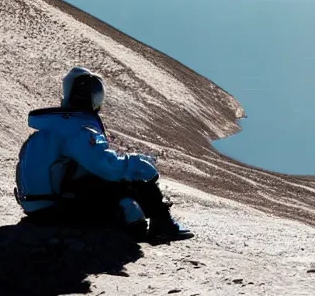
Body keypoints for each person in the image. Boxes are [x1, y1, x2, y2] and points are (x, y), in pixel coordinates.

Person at [14, 66, 193, 241]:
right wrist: (140, 165)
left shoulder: (51, 130)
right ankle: (163, 227)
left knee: (116, 188)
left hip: (36, 205)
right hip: (55, 208)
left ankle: (136, 220)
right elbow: (106, 166)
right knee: (131, 184)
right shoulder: (78, 129)